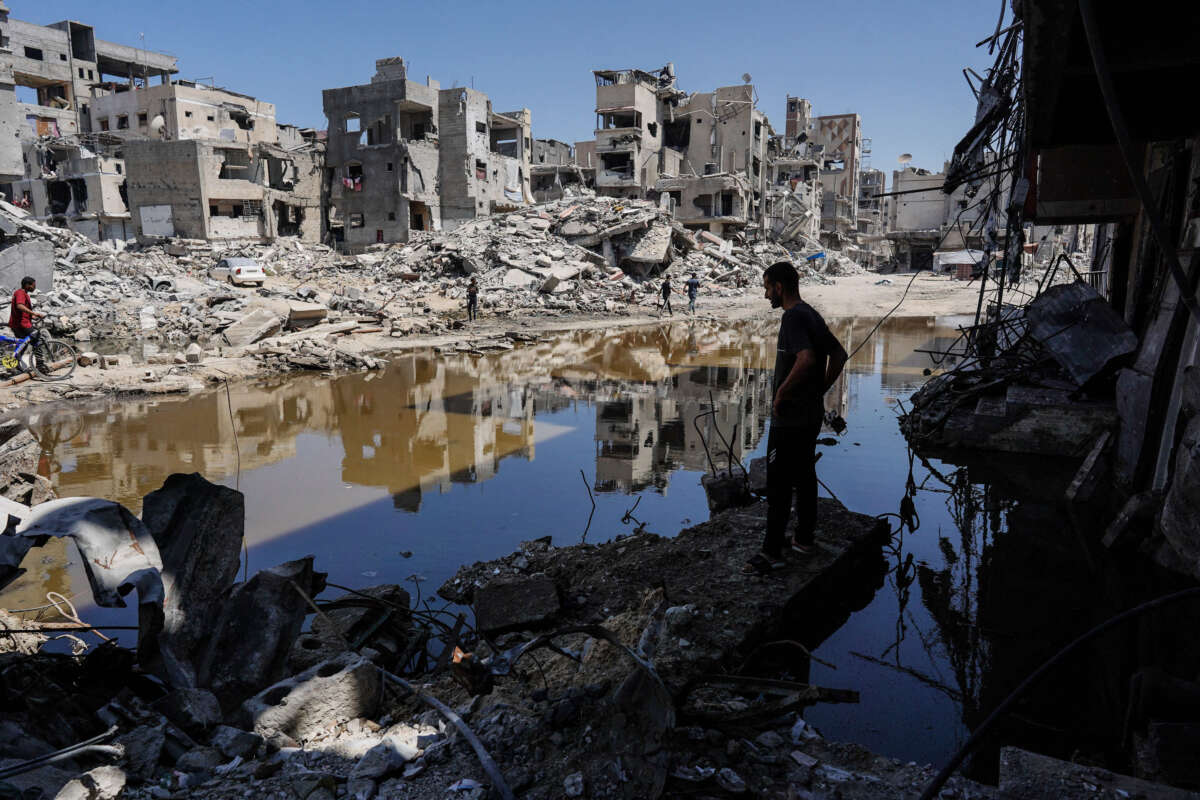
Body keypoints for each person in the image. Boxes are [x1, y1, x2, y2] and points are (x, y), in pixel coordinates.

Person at [745, 261, 847, 574]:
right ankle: (803, 540)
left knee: (778, 485)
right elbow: (839, 355)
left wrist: (781, 394)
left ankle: (771, 553)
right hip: (809, 415)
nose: (766, 295)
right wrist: (820, 390)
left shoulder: (793, 317)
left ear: (779, 286)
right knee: (804, 478)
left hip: (789, 419)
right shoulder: (811, 314)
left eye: (767, 287)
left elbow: (806, 359)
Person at [8, 276, 46, 371]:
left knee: (23, 344)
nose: (34, 287)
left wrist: (31, 316)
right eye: (33, 285)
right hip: (21, 324)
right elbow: (20, 306)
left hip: (20, 323)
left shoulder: (23, 293)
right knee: (37, 340)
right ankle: (40, 366)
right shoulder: (20, 293)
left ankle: (15, 363)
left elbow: (21, 311)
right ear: (27, 285)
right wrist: (34, 313)